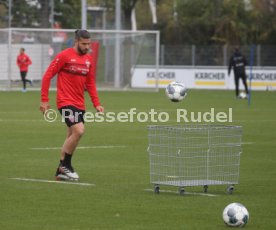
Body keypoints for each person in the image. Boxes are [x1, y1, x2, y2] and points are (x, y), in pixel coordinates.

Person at [40, 29, 104, 181]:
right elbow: (48, 75)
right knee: (79, 131)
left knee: (72, 135)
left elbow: (90, 83)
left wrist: (97, 103)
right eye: (84, 44)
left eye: (89, 44)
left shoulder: (88, 60)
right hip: (65, 102)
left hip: (79, 104)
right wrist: (44, 99)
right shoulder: (64, 55)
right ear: (76, 42)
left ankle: (60, 169)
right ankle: (66, 166)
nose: (87, 46)